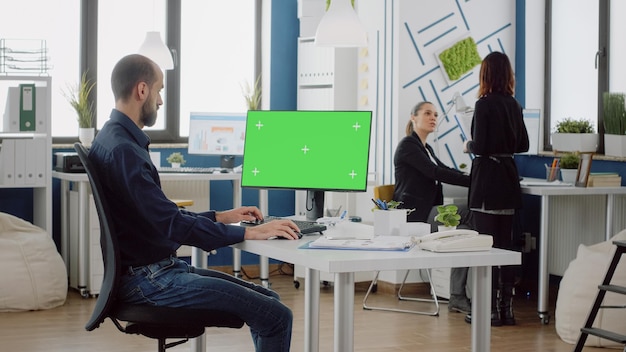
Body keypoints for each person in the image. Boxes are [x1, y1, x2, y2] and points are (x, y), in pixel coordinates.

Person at [88, 54, 298, 351]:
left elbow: (160, 217)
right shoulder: (125, 151)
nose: (161, 101)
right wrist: (249, 232)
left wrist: (220, 216)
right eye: (159, 90)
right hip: (151, 281)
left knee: (270, 302)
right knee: (276, 315)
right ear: (142, 90)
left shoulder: (112, 138)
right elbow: (171, 224)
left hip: (152, 271)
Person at [463, 51, 529, 326]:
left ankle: (487, 310)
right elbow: (523, 145)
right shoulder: (514, 105)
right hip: (508, 181)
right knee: (506, 247)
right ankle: (506, 310)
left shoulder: (483, 104)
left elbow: (481, 145)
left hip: (487, 182)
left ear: (485, 75)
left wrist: (469, 146)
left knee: (485, 248)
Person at [392, 101, 473, 314]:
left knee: (465, 233)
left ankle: (457, 295)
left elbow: (443, 169)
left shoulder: (425, 147)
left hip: (427, 211)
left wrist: (472, 177)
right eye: (427, 113)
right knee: (471, 213)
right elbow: (434, 172)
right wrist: (475, 182)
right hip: (415, 217)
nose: (433, 117)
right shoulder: (408, 145)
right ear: (413, 117)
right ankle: (466, 292)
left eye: (435, 114)